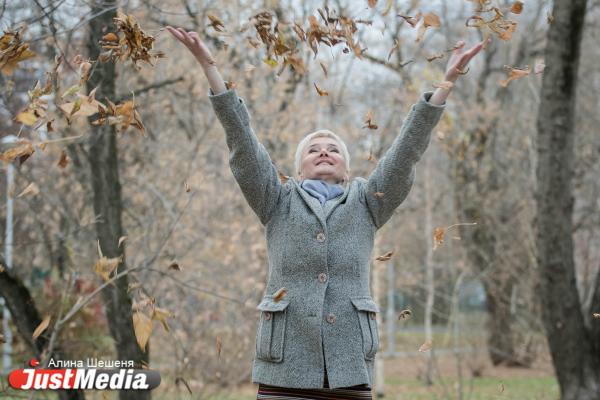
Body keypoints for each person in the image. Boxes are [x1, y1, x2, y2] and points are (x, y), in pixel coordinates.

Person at [166, 25, 487, 400]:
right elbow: (243, 144)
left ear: (346, 169)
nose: (323, 151)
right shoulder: (277, 200)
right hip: (283, 366)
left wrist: (444, 85)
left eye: (333, 149)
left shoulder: (368, 201)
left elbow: (405, 155)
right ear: (299, 169)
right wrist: (210, 68)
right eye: (313, 148)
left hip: (349, 366)